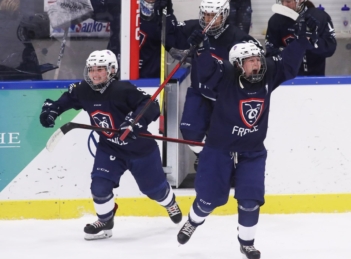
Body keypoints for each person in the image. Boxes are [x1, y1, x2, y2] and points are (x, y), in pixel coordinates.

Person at [176, 14, 318, 259]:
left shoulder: (268, 75)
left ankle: (247, 242)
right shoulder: (225, 78)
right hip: (219, 149)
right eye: (251, 61)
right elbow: (208, 69)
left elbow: (288, 63)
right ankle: (193, 221)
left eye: (258, 59)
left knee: (250, 199)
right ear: (237, 65)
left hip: (252, 151)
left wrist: (301, 40)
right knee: (209, 200)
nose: (257, 65)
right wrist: (202, 45)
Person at [39, 49, 182, 240]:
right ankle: (105, 220)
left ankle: (169, 201)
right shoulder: (83, 90)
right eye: (91, 69)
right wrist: (53, 111)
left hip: (139, 150)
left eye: (101, 69)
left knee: (154, 190)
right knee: (99, 187)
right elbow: (65, 101)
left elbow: (150, 105)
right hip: (109, 148)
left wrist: (135, 123)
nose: (95, 74)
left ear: (112, 70)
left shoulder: (122, 90)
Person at [168, 0, 263, 172]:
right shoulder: (195, 29)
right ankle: (204, 156)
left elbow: (258, 56)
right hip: (199, 92)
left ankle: (224, 164)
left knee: (225, 137)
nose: (208, 19)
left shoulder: (237, 36)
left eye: (214, 16)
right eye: (206, 14)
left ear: (224, 16)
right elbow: (170, 35)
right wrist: (166, 9)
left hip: (225, 97)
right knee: (189, 132)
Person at [265, 0, 337, 76]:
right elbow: (271, 54)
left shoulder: (320, 17)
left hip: (315, 80)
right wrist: (289, 51)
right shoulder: (275, 20)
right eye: (282, 1)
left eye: (288, 1)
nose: (284, 5)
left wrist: (312, 40)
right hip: (286, 80)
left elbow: (330, 49)